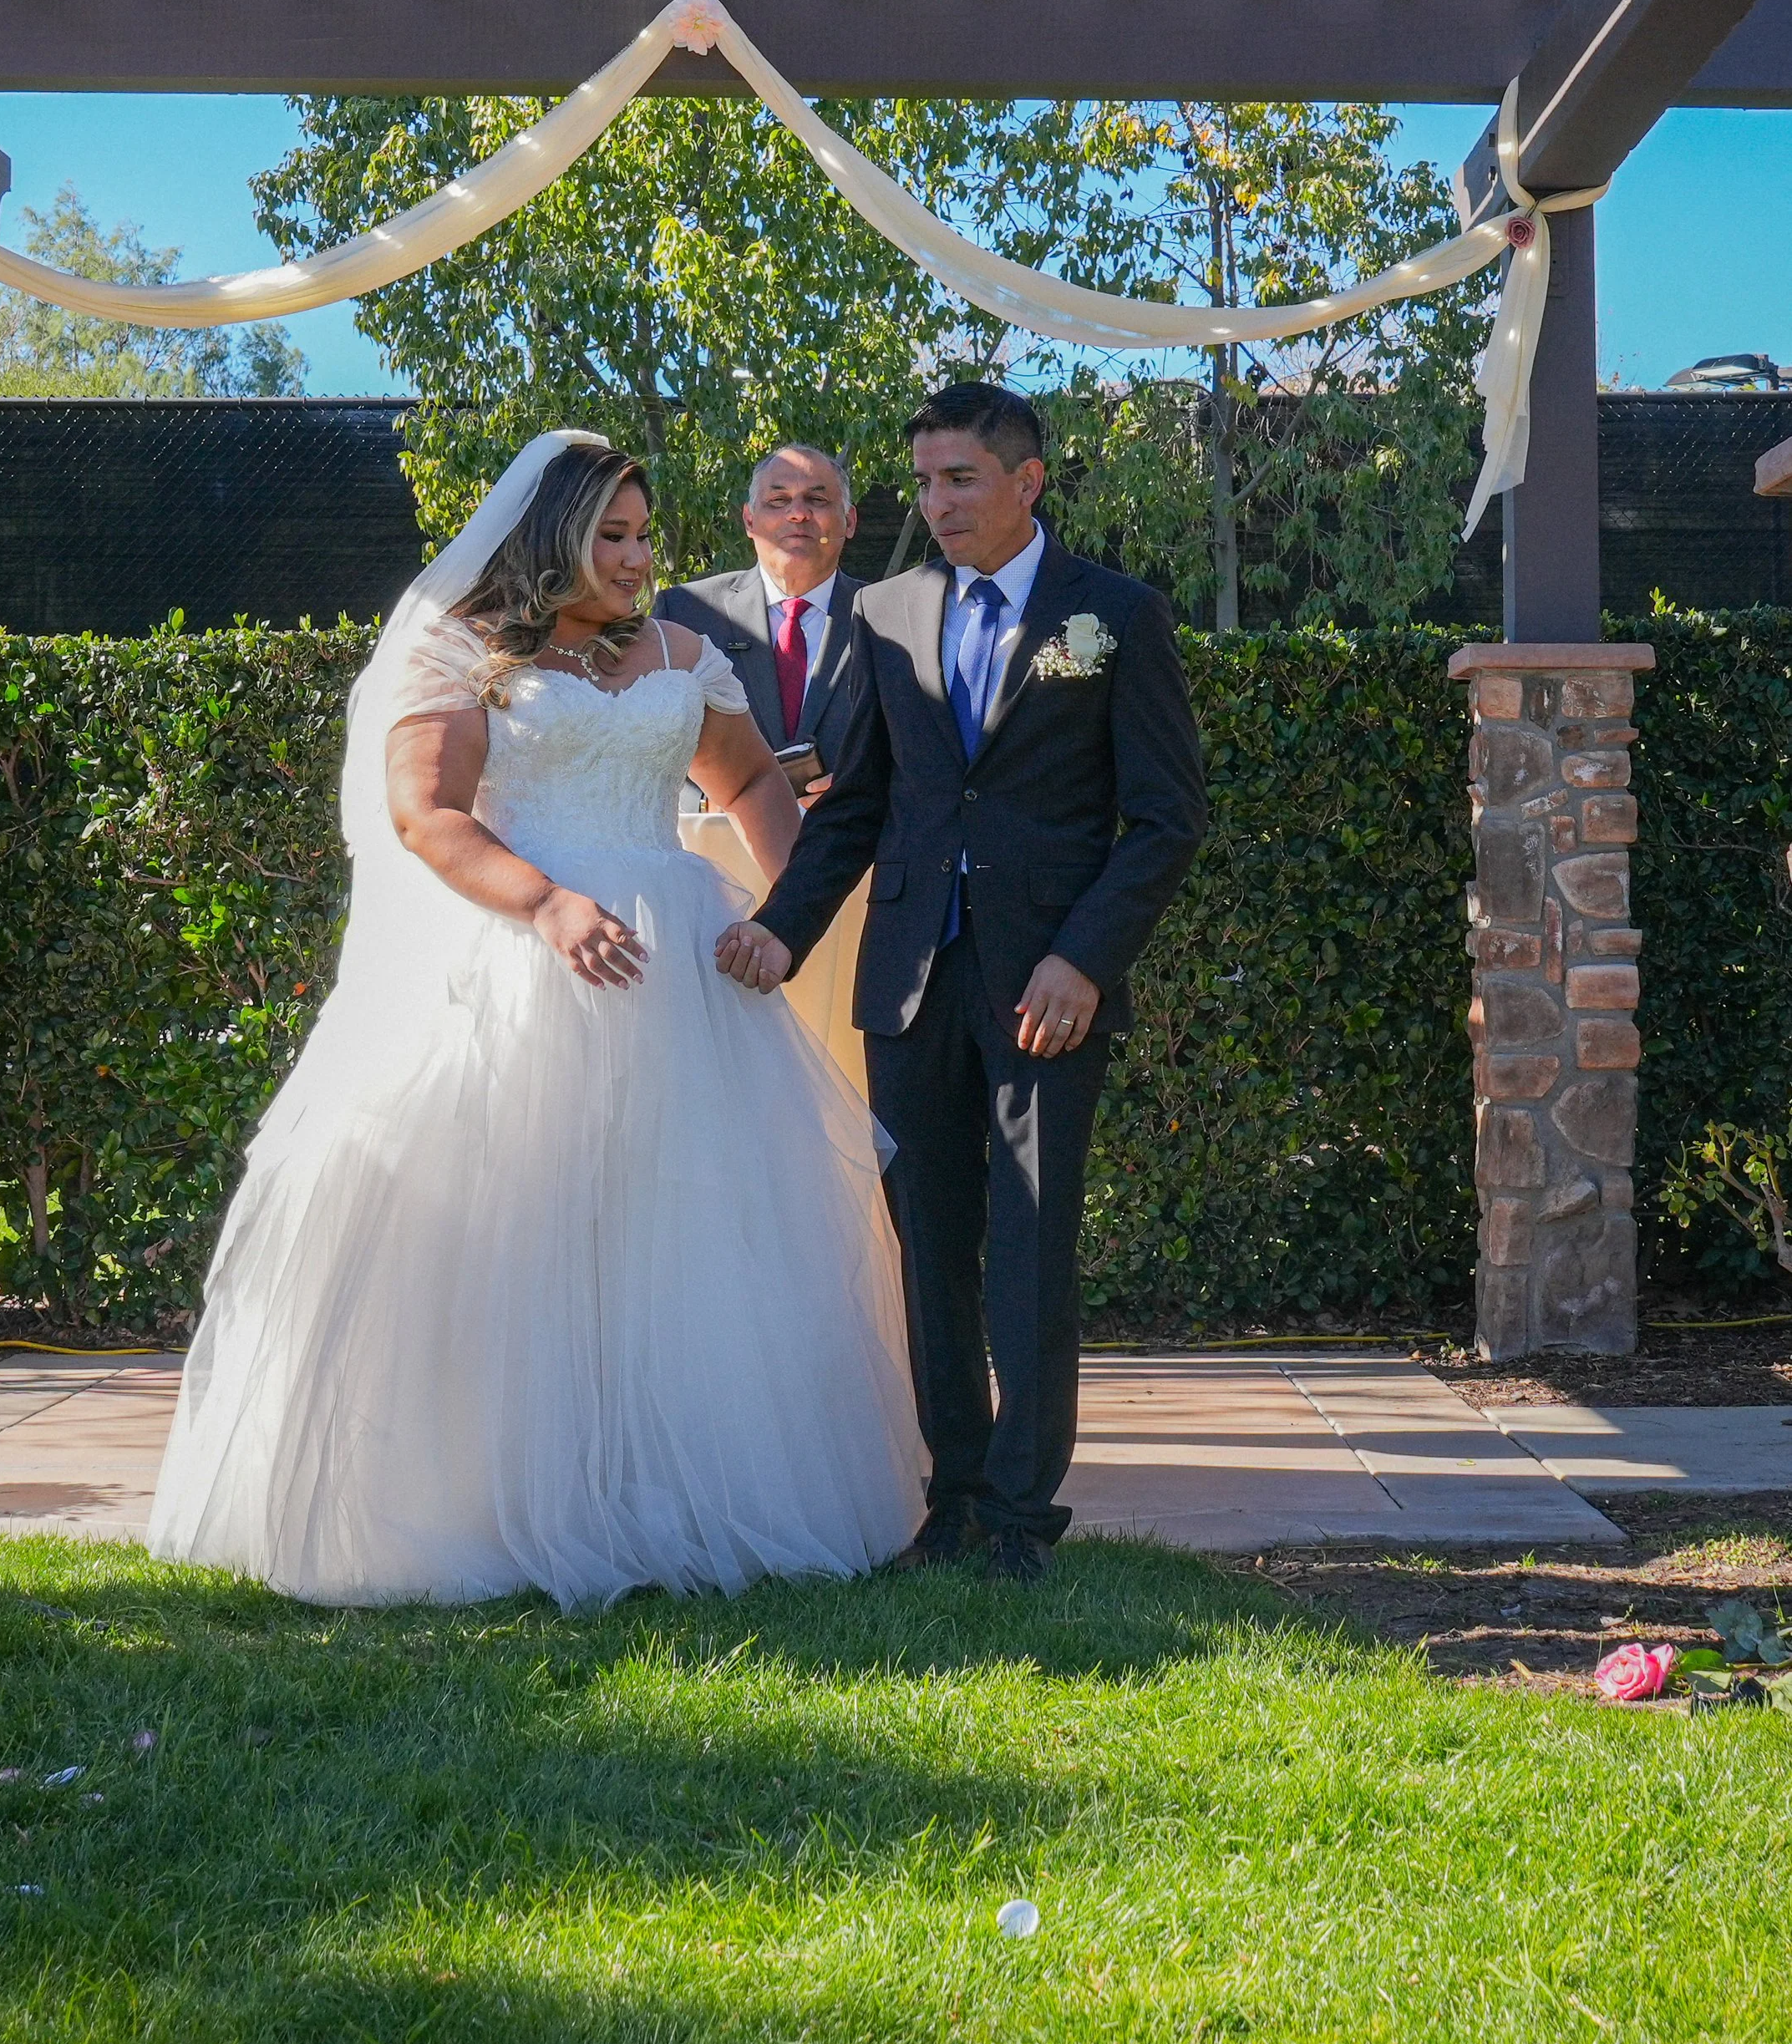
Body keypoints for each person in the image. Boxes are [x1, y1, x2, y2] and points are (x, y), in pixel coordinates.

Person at [148, 430, 923, 1610]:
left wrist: (789, 916)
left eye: (642, 533)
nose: (633, 555)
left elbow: (756, 781)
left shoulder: (679, 650)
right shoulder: (464, 653)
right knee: (525, 1228)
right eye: (609, 534)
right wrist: (548, 903)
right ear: (548, 535)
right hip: (517, 956)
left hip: (677, 977)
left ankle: (668, 1488)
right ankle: (499, 1497)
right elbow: (427, 813)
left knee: (685, 1232)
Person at [717, 383, 1206, 1584]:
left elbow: (1164, 818)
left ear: (1027, 479)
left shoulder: (1116, 615)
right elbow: (862, 803)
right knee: (928, 1244)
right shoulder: (883, 612)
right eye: (925, 481)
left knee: (1031, 1243)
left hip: (1046, 987)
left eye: (960, 479)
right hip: (908, 981)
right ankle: (956, 1498)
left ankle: (1025, 1521)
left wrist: (1083, 955)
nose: (935, 503)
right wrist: (783, 926)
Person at [657, 444, 865, 788]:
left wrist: (858, 795)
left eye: (816, 500)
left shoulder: (889, 618)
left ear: (850, 520)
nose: (798, 514)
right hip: (715, 837)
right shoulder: (684, 613)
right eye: (778, 501)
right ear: (749, 520)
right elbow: (651, 751)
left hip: (848, 837)